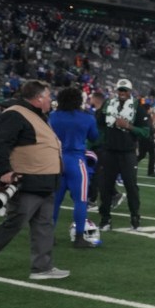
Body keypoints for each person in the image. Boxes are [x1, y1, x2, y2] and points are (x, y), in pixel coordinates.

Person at [0, 80, 70, 279]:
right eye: (48, 96)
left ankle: (42, 268)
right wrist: (3, 170)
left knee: (43, 225)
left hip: (44, 182)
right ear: (38, 98)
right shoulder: (14, 114)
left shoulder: (38, 116)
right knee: (13, 224)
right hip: (27, 182)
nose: (51, 100)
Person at [49, 86, 100, 249]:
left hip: (56, 161)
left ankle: (48, 236)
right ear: (79, 100)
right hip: (77, 161)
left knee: (54, 201)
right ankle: (79, 237)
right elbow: (94, 137)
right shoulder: (87, 117)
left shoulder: (53, 116)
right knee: (80, 201)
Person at [97, 79, 150, 231]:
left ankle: (135, 216)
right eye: (120, 90)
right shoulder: (108, 104)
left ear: (130, 91)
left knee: (131, 186)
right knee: (106, 186)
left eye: (125, 90)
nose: (122, 93)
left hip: (128, 152)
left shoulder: (138, 108)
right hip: (109, 151)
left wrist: (128, 126)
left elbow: (146, 132)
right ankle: (105, 218)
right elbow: (99, 123)